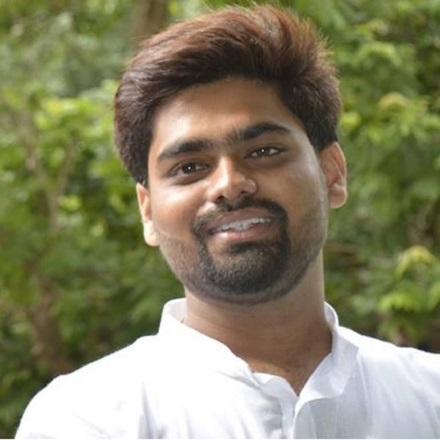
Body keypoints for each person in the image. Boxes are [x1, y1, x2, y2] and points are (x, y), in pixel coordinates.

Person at [16, 5, 440, 439]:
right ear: (147, 210)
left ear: (332, 174)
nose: (229, 185)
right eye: (189, 167)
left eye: (263, 152)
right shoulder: (86, 419)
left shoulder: (430, 397)